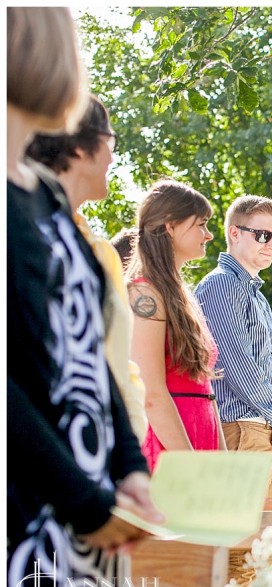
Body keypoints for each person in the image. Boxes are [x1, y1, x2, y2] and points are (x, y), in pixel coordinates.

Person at [7, 6, 161, 587]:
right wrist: (84, 500)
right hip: (28, 508)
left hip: (89, 510)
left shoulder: (42, 194)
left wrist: (128, 469)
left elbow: (89, 353)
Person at [25, 94, 148, 444]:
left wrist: (129, 447)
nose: (112, 157)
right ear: (80, 146)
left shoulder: (100, 253)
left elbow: (118, 366)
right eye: (110, 141)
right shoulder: (28, 240)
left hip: (108, 456)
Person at [195, 195, 272, 497]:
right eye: (262, 235)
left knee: (267, 544)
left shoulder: (257, 297)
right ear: (234, 233)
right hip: (241, 434)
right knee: (238, 544)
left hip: (269, 437)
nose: (271, 244)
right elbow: (238, 368)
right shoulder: (220, 285)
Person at [126, 180, 226, 469]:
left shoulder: (182, 295)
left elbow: (206, 389)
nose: (208, 235)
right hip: (172, 446)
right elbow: (152, 394)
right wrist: (191, 466)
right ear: (170, 226)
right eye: (201, 224)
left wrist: (222, 463)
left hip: (200, 436)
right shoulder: (145, 294)